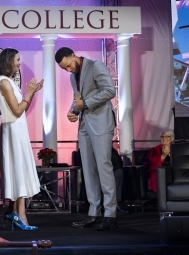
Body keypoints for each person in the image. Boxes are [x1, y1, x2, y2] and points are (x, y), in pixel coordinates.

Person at [55, 47, 117, 230]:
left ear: (73, 55)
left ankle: (110, 214)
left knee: (103, 167)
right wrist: (73, 111)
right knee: (88, 170)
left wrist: (86, 104)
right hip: (84, 124)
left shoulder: (95, 66)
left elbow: (110, 91)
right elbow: (79, 99)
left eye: (68, 65)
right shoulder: (72, 76)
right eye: (64, 69)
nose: (68, 70)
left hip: (101, 122)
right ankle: (93, 212)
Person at [0, 48, 43, 231]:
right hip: (13, 130)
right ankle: (20, 214)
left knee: (18, 170)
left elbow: (20, 109)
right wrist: (29, 93)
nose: (20, 63)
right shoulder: (4, 82)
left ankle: (12, 211)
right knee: (18, 170)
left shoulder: (10, 82)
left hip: (18, 129)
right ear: (8, 61)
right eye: (17, 59)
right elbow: (16, 110)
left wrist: (32, 92)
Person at [76, 147, 129, 214]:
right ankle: (98, 205)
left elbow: (119, 163)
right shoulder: (84, 150)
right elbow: (85, 165)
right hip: (96, 172)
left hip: (110, 171)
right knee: (99, 175)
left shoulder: (111, 150)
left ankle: (116, 202)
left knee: (119, 172)